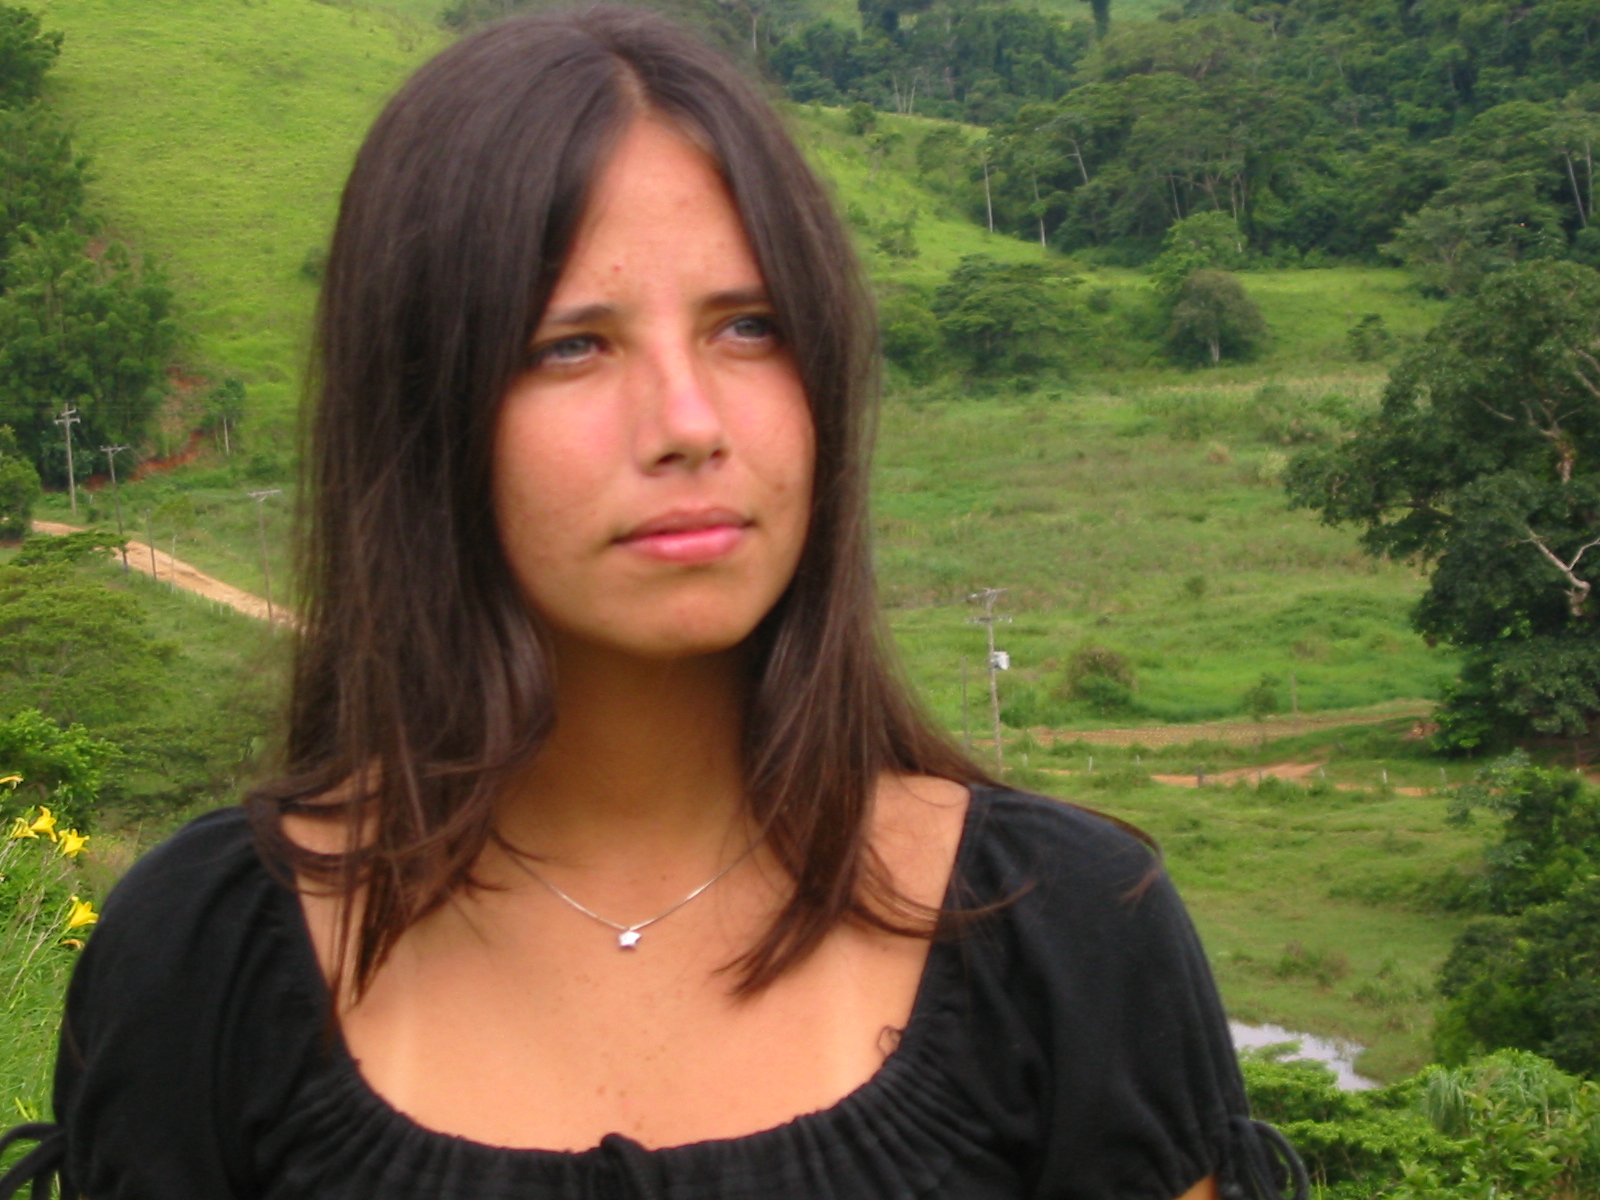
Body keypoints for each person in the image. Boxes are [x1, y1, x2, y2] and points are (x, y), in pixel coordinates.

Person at [0, 8, 1308, 1198]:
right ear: (420, 409)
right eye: (571, 345)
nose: (691, 424)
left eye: (749, 328)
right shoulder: (203, 960)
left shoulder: (1067, 936)